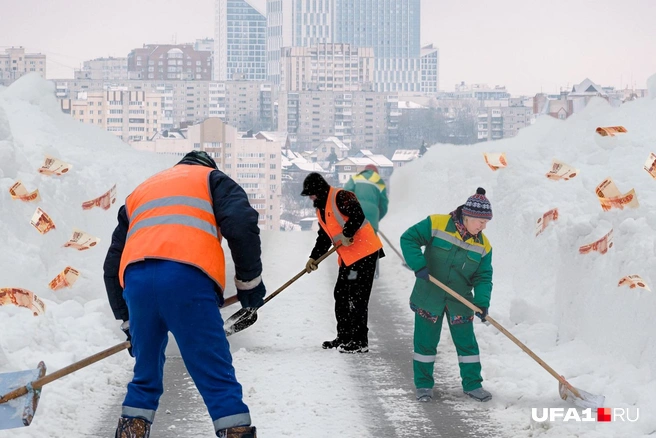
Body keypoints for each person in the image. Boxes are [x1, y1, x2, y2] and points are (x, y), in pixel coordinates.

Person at [104, 151, 262, 438]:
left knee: (145, 375)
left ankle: (131, 430)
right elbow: (240, 224)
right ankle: (234, 431)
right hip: (187, 278)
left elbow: (112, 263)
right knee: (214, 373)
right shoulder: (212, 179)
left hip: (137, 283)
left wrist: (129, 322)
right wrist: (249, 284)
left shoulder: (142, 190)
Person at [400, 187, 493, 403]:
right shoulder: (437, 223)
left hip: (459, 300)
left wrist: (481, 301)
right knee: (425, 343)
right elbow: (409, 238)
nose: (483, 226)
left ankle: (473, 385)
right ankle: (423, 385)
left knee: (467, 345)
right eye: (480, 221)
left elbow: (483, 276)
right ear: (467, 216)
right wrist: (418, 264)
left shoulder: (483, 245)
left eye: (486, 222)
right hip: (429, 294)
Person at [300, 172, 383, 353]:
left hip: (365, 254)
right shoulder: (321, 209)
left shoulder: (341, 196)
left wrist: (347, 233)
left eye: (312, 194)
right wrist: (313, 257)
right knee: (341, 294)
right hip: (349, 257)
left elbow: (357, 215)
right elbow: (324, 237)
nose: (311, 198)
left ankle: (359, 341)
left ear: (320, 190)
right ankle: (345, 337)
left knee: (357, 297)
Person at [343, 164, 389, 278]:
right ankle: (374, 272)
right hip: (372, 215)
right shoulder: (379, 181)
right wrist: (376, 219)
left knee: (354, 242)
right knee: (372, 244)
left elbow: (345, 194)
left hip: (355, 214)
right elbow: (384, 205)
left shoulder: (356, 178)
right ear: (376, 172)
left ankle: (352, 272)